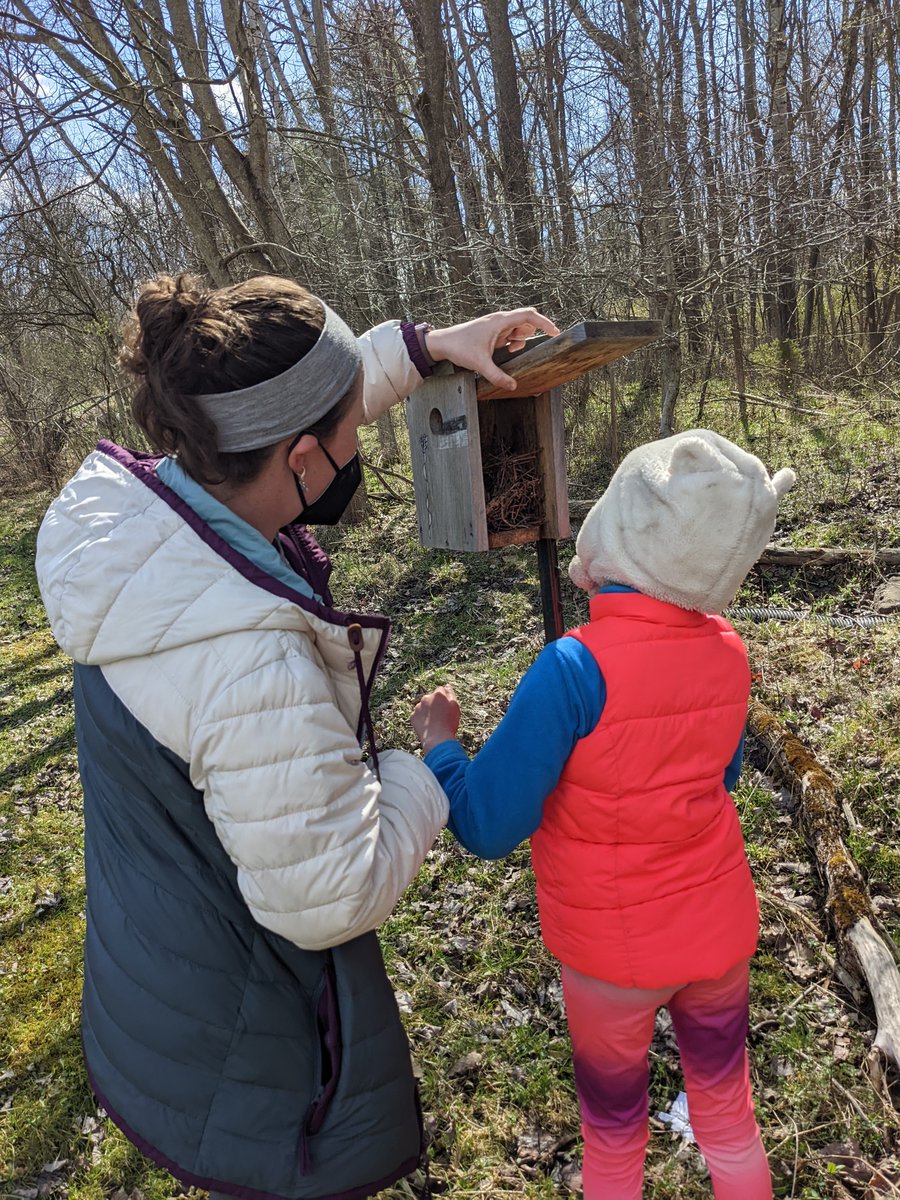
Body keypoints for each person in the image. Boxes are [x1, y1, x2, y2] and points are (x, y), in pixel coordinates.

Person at [35, 272, 558, 1200]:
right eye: (353, 431)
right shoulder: (249, 665)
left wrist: (433, 345)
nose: (366, 445)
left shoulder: (136, 531)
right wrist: (418, 768)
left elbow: (312, 397)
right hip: (246, 1045)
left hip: (156, 965)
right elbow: (329, 893)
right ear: (304, 457)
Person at [411, 430, 796, 1200]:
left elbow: (487, 824)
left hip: (611, 958)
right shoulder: (729, 651)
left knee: (614, 1137)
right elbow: (717, 775)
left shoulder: (573, 668)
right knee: (728, 1116)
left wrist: (442, 751)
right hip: (717, 933)